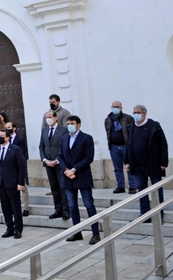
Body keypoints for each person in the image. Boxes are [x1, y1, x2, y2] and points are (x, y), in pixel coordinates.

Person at [57, 115, 100, 245]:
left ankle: (95, 233)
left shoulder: (86, 138)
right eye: (68, 123)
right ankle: (77, 231)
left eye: (72, 123)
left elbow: (88, 157)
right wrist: (66, 170)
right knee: (72, 205)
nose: (69, 125)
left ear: (78, 125)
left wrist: (74, 169)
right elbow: (60, 155)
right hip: (68, 177)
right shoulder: (64, 138)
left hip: (81, 175)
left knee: (89, 204)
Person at [125, 105, 169, 222]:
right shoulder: (131, 127)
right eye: (134, 112)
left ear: (144, 114)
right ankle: (145, 213)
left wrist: (163, 162)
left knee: (156, 188)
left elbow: (163, 144)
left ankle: (159, 212)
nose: (135, 115)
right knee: (141, 189)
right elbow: (128, 145)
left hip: (153, 163)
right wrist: (127, 161)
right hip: (137, 165)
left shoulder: (154, 126)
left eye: (138, 112)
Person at [0, 129, 27, 239]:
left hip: (13, 182)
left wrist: (21, 182)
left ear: (7, 138)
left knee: (15, 207)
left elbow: (21, 167)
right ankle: (9, 228)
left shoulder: (15, 149)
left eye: (1, 136)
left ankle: (18, 229)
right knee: (5, 207)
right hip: (1, 183)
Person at [39, 111, 70, 220]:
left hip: (59, 163)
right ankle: (58, 209)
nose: (48, 119)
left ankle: (66, 210)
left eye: (50, 117)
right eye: (46, 117)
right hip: (48, 164)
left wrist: (57, 160)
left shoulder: (63, 130)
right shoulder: (44, 130)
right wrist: (45, 160)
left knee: (62, 187)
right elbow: (41, 147)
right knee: (54, 188)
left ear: (55, 118)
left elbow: (65, 146)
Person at [105, 101, 136, 194]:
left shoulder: (128, 118)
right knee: (117, 168)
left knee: (129, 166)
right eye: (113, 106)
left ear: (121, 108)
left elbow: (132, 132)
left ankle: (132, 186)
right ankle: (120, 186)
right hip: (114, 146)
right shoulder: (108, 119)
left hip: (126, 146)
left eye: (117, 107)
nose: (115, 108)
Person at [5, 122, 30, 217]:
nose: (7, 129)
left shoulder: (20, 140)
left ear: (14, 128)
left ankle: (26, 207)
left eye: (9, 127)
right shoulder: (5, 140)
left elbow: (22, 153)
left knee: (23, 187)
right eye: (6, 127)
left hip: (18, 166)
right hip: (8, 168)